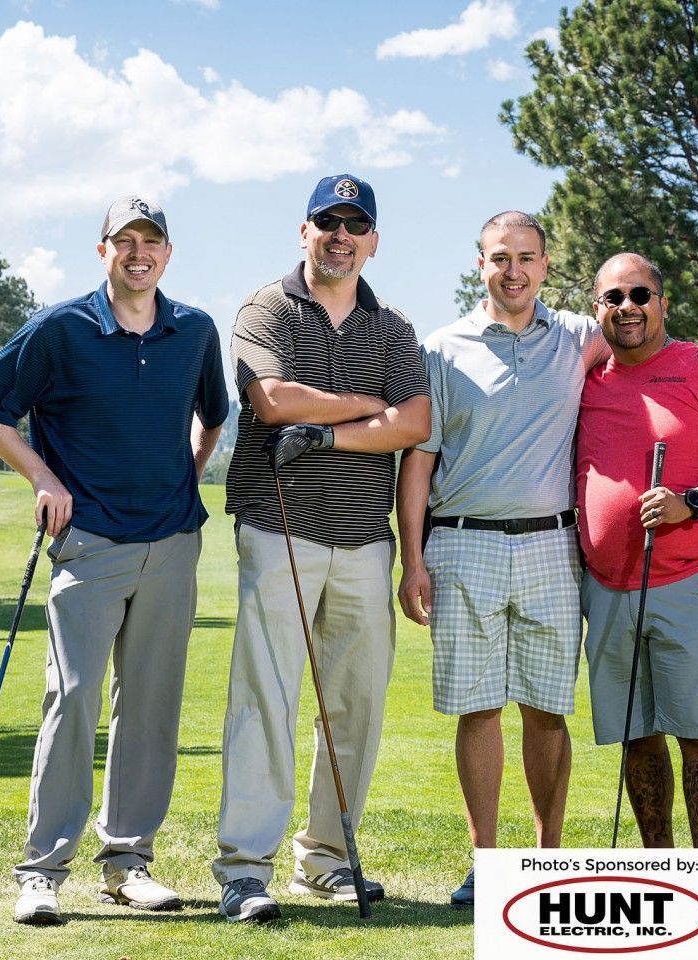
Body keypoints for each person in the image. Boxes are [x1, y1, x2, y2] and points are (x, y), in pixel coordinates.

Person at [395, 213, 698, 907]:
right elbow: (419, 458)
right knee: (477, 709)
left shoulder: (574, 337)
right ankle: (486, 864)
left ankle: (546, 859)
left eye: (526, 258)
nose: (513, 270)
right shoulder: (442, 348)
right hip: (463, 540)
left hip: (553, 546)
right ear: (480, 263)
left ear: (546, 266)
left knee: (547, 711)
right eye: (500, 258)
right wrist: (412, 559)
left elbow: (643, 327)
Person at [0, 196, 228, 925]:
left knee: (149, 709)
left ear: (167, 253)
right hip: (91, 542)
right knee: (71, 700)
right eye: (125, 241)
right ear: (102, 249)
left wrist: (189, 473)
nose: (138, 253)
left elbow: (214, 414)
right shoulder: (60, 328)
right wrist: (43, 477)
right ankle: (42, 870)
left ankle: (128, 863)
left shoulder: (195, 330)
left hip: (172, 543)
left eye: (152, 241)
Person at [212, 174, 430, 923]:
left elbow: (417, 423)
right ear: (303, 231)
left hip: (366, 538)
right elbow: (270, 399)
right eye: (326, 221)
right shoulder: (267, 306)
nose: (340, 235)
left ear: (372, 240)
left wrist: (331, 431)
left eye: (354, 224)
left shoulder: (392, 326)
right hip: (278, 527)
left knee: (355, 707)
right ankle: (244, 868)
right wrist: (374, 404)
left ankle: (328, 859)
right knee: (264, 699)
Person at [577, 252, 698, 848]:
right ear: (597, 310)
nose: (627, 307)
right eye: (614, 298)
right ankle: (659, 864)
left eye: (640, 295)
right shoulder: (583, 373)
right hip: (609, 587)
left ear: (662, 304)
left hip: (692, 579)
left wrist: (693, 501)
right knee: (637, 734)